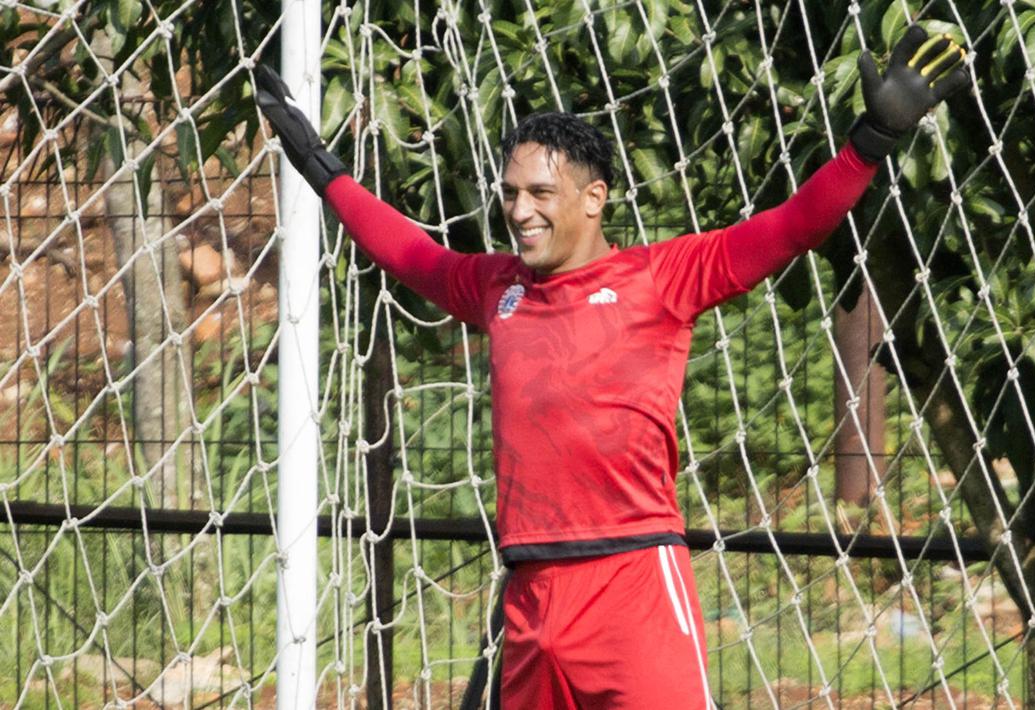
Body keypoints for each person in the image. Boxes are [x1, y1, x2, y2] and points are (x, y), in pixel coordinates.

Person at [255, 24, 968, 710]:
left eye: (540, 194)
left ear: (593, 199)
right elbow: (409, 253)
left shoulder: (661, 277)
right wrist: (323, 170)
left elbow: (790, 226)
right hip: (531, 593)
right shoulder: (494, 286)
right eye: (509, 193)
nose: (519, 210)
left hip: (632, 581)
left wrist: (869, 143)